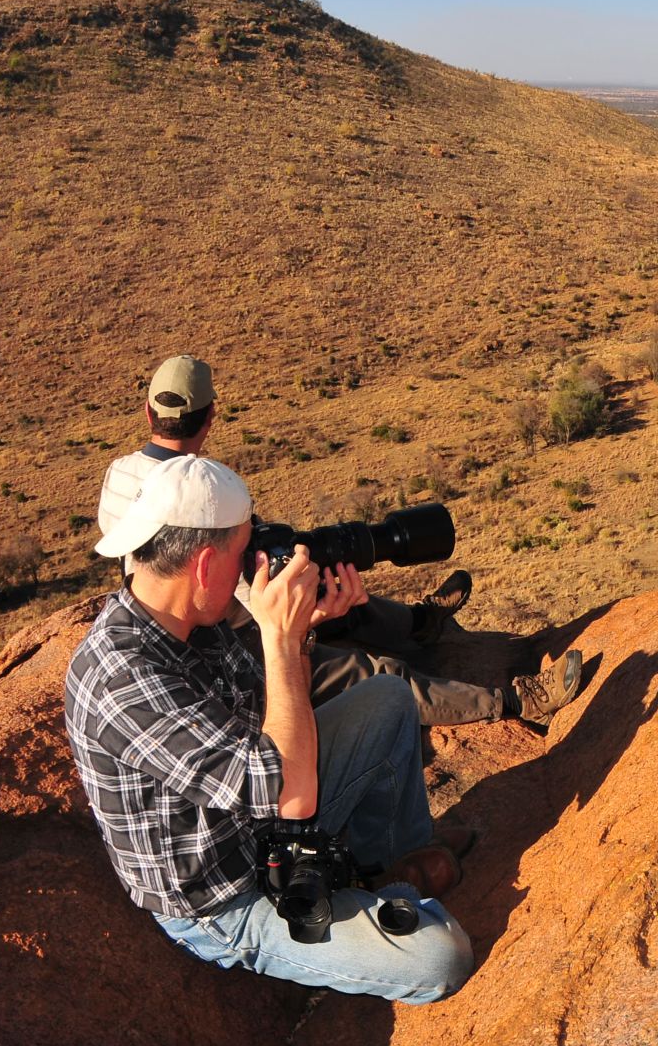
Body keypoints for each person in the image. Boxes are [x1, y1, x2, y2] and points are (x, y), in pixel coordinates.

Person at [64, 455, 474, 1002]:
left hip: (260, 818)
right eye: (242, 556)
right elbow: (293, 795)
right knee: (441, 956)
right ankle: (370, 897)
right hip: (225, 893)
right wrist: (277, 638)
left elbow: (283, 712)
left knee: (389, 699)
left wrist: (301, 633)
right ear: (207, 565)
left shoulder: (191, 620)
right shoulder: (123, 678)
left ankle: (390, 862)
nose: (251, 572)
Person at [99, 354, 586, 723]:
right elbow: (239, 569)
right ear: (211, 418)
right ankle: (513, 702)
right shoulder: (212, 485)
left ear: (148, 414)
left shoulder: (119, 476)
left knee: (341, 599)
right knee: (366, 672)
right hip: (225, 637)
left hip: (202, 614)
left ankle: (419, 623)